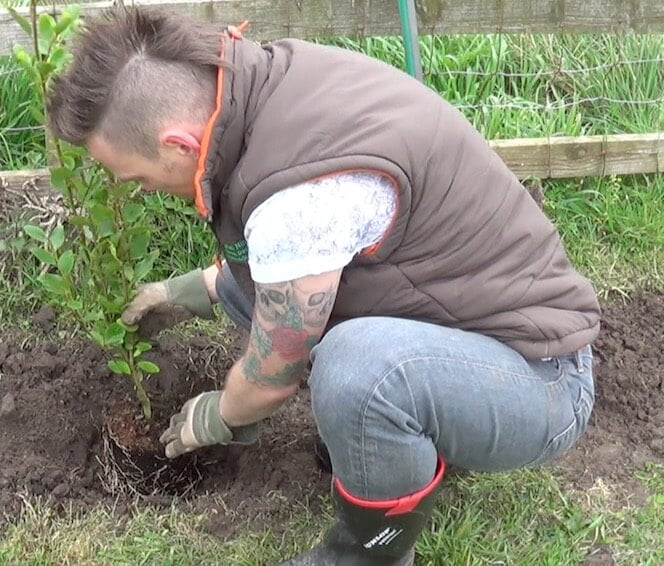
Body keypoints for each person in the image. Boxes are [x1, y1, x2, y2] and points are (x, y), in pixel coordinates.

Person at [46, 7, 599, 565]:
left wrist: (220, 414)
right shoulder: (263, 86)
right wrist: (191, 291)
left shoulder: (297, 201)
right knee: (283, 301)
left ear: (178, 143)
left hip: (541, 380)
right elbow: (280, 264)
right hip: (468, 323)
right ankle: (401, 437)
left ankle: (366, 555)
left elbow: (271, 376)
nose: (139, 190)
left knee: (359, 372)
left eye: (135, 176)